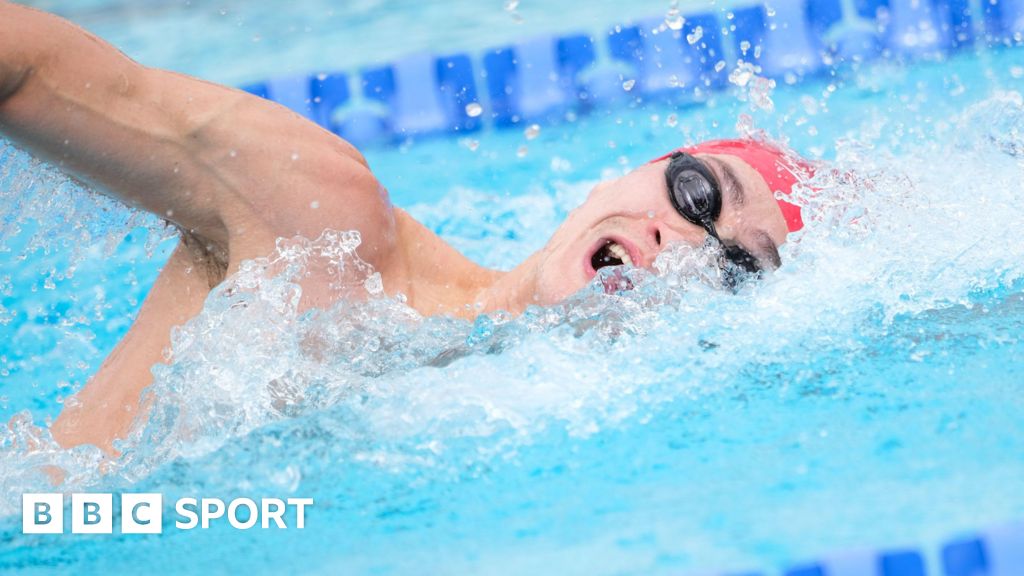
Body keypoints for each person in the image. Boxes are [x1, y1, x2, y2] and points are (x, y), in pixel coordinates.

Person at [0, 2, 810, 454]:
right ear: (630, 170)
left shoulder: (549, 438)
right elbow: (28, 72)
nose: (687, 242)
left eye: (736, 269)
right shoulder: (322, 218)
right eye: (699, 193)